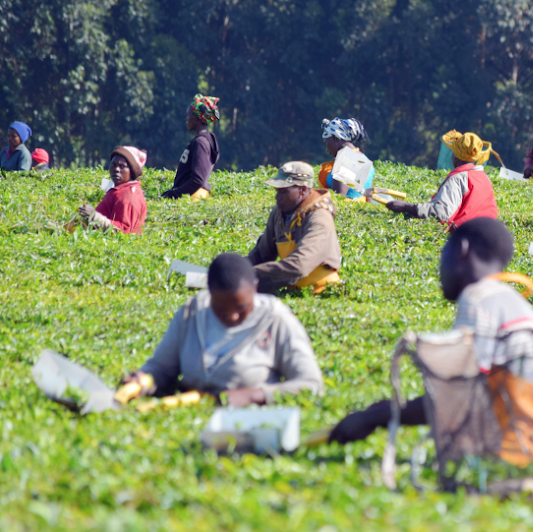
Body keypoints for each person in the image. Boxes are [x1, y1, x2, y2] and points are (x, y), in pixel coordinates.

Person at [329, 217, 533, 448]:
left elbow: (460, 397)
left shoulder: (477, 298)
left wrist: (374, 418)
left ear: (461, 249)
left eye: (444, 251)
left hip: (510, 448)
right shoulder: (511, 299)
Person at [122, 253, 324, 405]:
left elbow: (311, 384)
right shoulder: (192, 312)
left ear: (254, 289)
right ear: (209, 294)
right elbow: (161, 368)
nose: (233, 315)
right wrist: (142, 379)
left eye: (242, 308)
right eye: (220, 309)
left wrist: (254, 395)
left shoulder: (276, 319)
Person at [248, 161, 342, 294]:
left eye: (284, 192)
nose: (277, 197)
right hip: (293, 291)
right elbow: (261, 254)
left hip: (322, 293)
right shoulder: (279, 212)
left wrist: (250, 274)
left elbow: (300, 265)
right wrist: (236, 268)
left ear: (302, 190)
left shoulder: (319, 217)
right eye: (277, 191)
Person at [386, 132, 498, 232]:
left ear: (456, 156)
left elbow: (441, 212)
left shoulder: (458, 179)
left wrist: (407, 207)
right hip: (486, 236)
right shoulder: (485, 179)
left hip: (463, 238)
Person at [162, 94, 220, 200]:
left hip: (194, 196)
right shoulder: (203, 141)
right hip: (195, 194)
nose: (186, 119)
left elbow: (198, 179)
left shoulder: (200, 143)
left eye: (189, 116)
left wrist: (174, 195)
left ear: (197, 119)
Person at [78, 146, 148, 234]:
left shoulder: (128, 196)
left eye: (122, 166)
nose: (116, 169)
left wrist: (95, 217)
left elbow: (125, 231)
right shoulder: (121, 190)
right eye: (114, 165)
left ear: (131, 171)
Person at [319, 117, 374, 200]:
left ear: (335, 138)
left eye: (326, 142)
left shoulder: (347, 161)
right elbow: (368, 198)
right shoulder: (364, 158)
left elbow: (338, 199)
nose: (327, 148)